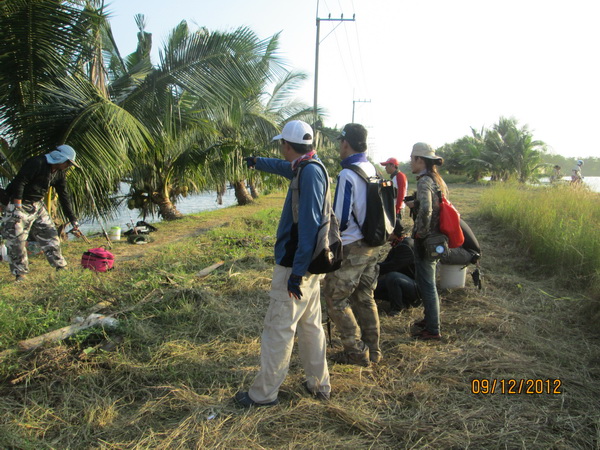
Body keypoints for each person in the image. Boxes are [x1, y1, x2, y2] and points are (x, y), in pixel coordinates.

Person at [233, 120, 331, 407]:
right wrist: (257, 162)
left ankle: (263, 395)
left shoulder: (309, 173)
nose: (281, 150)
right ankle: (318, 384)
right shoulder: (309, 164)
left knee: (279, 328)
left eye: (282, 146)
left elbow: (309, 227)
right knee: (311, 325)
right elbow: (281, 167)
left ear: (287, 145)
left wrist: (296, 273)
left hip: (296, 266)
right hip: (310, 266)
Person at [322, 123, 382, 366]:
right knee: (365, 297)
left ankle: (356, 351)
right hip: (372, 244)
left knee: (335, 298)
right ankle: (374, 350)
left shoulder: (348, 174)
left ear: (345, 143)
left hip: (353, 247)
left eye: (340, 143)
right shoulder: (372, 168)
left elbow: (341, 218)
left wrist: (329, 243)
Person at [1, 145, 80, 282]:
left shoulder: (58, 173)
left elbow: (63, 195)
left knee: (50, 235)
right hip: (18, 203)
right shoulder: (37, 163)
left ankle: (60, 266)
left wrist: (72, 218)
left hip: (37, 205)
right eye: (68, 162)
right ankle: (20, 273)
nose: (68, 166)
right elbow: (20, 182)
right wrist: (17, 207)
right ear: (60, 158)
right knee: (17, 241)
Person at [406, 142, 448, 341]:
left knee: (427, 283)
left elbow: (427, 210)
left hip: (427, 239)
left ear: (419, 160)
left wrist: (419, 234)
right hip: (437, 238)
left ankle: (433, 328)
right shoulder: (437, 179)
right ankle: (429, 319)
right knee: (427, 281)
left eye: (412, 158)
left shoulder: (424, 181)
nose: (410, 161)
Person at [375, 236, 421, 316]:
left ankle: (398, 308)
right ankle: (403, 300)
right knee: (373, 288)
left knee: (392, 277)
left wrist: (372, 266)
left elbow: (391, 267)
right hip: (406, 281)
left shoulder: (405, 246)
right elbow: (387, 263)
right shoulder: (400, 244)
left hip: (416, 287)